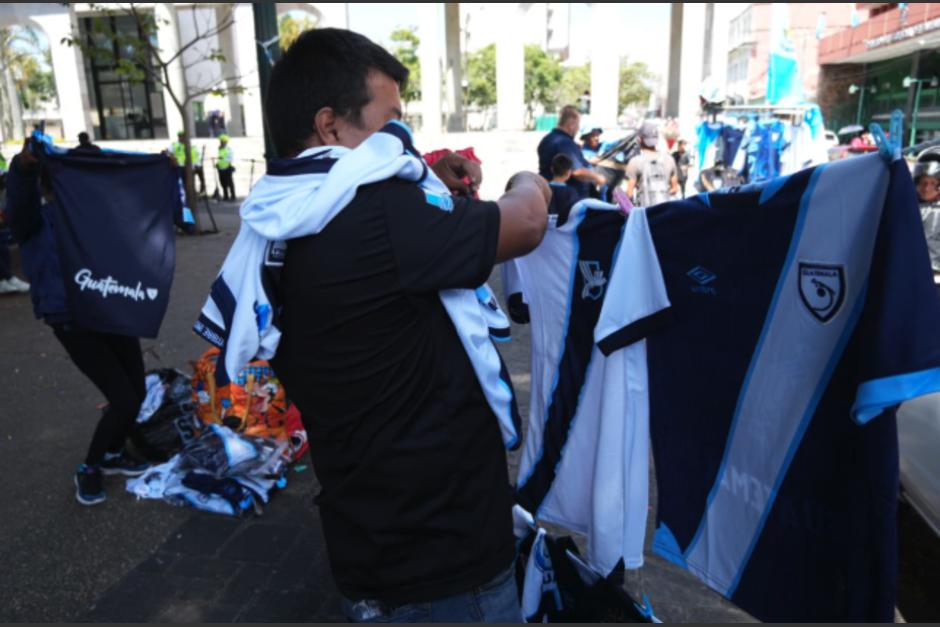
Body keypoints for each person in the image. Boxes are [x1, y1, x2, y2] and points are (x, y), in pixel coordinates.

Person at [259, 28, 548, 622]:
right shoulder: (382, 215)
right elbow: (526, 223)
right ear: (330, 126)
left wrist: (433, 190)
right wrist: (529, 179)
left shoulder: (273, 223)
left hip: (367, 548)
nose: (402, 139)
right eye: (391, 122)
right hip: (448, 561)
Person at [5, 139, 150, 505]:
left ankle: (115, 452)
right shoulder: (35, 222)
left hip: (112, 313)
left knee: (137, 392)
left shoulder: (96, 215)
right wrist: (24, 166)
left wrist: (156, 170)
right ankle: (90, 467)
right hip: (74, 322)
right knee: (123, 399)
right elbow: (19, 200)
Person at [537, 105, 606, 200]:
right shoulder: (564, 143)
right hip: (569, 200)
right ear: (571, 124)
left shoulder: (546, 139)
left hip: (551, 196)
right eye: (577, 125)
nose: (578, 129)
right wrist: (598, 178)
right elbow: (577, 172)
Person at [625, 120, 679, 207]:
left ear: (640, 140)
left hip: (645, 215)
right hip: (665, 213)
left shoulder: (634, 162)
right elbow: (675, 189)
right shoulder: (669, 159)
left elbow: (629, 194)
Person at [914, 147, 940, 279]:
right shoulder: (909, 206)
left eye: (932, 183)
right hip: (914, 272)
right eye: (923, 183)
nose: (926, 188)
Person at [548, 154, 581, 227]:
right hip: (563, 228)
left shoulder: (543, 188)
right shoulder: (571, 192)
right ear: (569, 172)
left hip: (545, 228)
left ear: (552, 169)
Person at [216, 134, 235, 201]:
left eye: (222, 141)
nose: (221, 142)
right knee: (223, 183)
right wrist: (217, 164)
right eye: (220, 141)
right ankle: (226, 196)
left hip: (227, 168)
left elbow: (230, 158)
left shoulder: (229, 149)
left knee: (230, 182)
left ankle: (232, 196)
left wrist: (223, 159)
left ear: (226, 142)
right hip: (220, 168)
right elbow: (219, 158)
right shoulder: (219, 149)